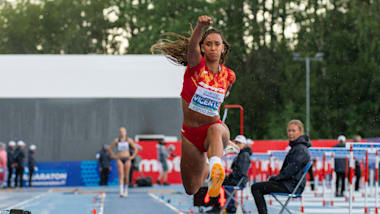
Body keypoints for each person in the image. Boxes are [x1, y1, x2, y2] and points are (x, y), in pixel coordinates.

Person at [151, 15, 236, 197]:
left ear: (223, 49)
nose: (213, 48)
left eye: (217, 44)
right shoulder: (196, 66)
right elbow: (191, 47)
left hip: (215, 129)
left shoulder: (229, 76)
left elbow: (223, 97)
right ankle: (211, 165)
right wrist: (199, 27)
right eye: (208, 44)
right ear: (202, 48)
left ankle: (216, 167)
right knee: (192, 188)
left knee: (215, 129)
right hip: (190, 135)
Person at [250, 120, 311, 214]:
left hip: (291, 185)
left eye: (293, 131)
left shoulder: (300, 149)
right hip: (289, 183)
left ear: (300, 132)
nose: (290, 133)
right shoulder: (297, 147)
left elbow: (291, 170)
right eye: (289, 131)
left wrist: (276, 178)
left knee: (256, 187)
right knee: (258, 186)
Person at [108, 127, 138, 197]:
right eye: (121, 132)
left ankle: (126, 190)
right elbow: (110, 148)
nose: (122, 133)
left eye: (123, 131)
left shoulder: (129, 140)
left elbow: (135, 148)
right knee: (121, 175)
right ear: (119, 133)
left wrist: (132, 156)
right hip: (119, 158)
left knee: (126, 176)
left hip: (127, 158)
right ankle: (121, 191)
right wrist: (114, 156)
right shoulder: (117, 140)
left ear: (125, 132)